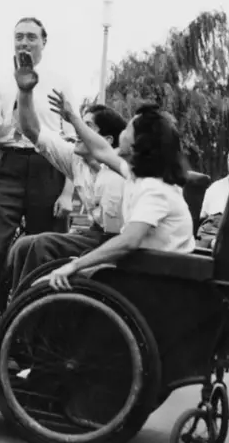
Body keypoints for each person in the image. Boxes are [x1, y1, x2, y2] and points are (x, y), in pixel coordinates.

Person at [35, 89, 195, 291]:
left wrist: (74, 266)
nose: (122, 133)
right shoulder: (137, 176)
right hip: (146, 270)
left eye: (128, 129)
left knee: (57, 283)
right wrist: (73, 118)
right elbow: (101, 150)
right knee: (50, 282)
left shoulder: (154, 190)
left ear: (139, 142)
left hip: (157, 283)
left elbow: (129, 240)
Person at [0, 17, 78, 304]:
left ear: (44, 41)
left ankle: (29, 317)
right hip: (7, 163)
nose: (24, 42)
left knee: (42, 248)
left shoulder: (60, 82)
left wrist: (68, 193)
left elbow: (73, 144)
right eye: (19, 36)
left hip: (48, 165)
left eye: (31, 37)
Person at [8, 53, 127, 291]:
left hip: (118, 243)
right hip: (95, 235)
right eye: (79, 123)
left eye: (87, 126)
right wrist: (25, 92)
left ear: (105, 139)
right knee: (23, 246)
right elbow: (32, 131)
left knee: (42, 244)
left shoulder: (123, 168)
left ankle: (31, 308)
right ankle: (15, 305)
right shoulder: (76, 158)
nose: (77, 129)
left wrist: (72, 116)